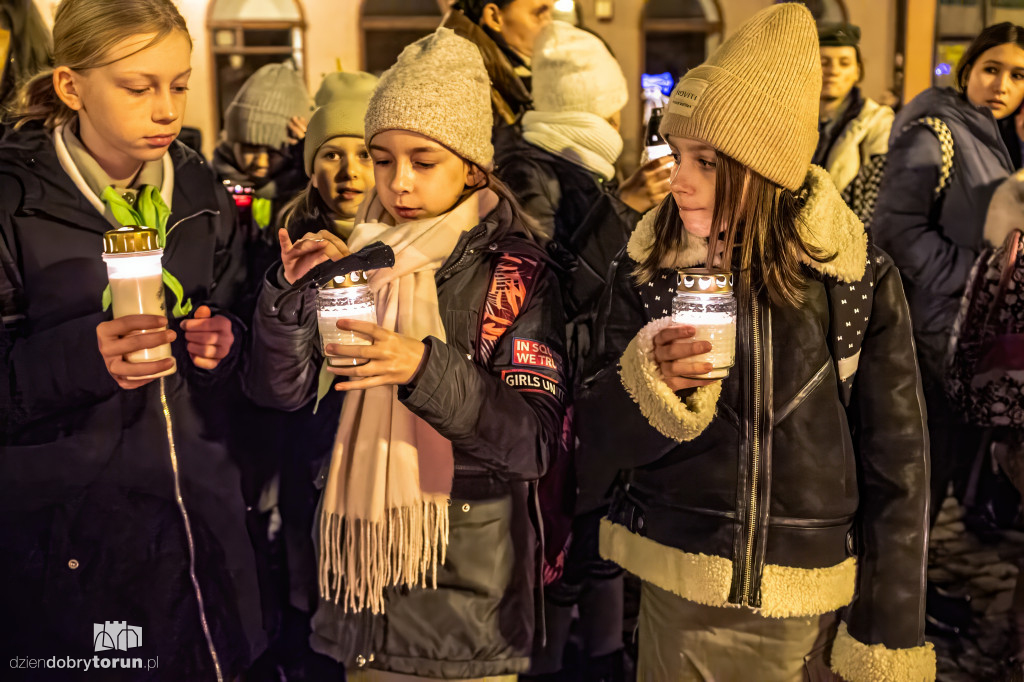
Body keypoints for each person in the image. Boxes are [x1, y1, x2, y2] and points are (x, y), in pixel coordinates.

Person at [576, 5, 933, 681]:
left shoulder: (849, 275)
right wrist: (646, 387)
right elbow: (592, 437)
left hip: (811, 601)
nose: (678, 179)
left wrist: (888, 631)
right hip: (680, 584)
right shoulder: (649, 262)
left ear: (765, 167)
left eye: (706, 162)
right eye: (676, 155)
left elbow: (901, 467)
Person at [245, 27, 567, 680]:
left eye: (424, 160)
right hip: (356, 593)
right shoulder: (356, 254)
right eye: (383, 158)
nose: (398, 183)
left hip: (463, 609)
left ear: (472, 167)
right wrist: (288, 297)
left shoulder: (515, 273)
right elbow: (277, 392)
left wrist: (424, 368)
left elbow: (532, 442)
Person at [0, 0, 265, 678]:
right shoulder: (13, 202)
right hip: (69, 552)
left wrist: (223, 345)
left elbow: (238, 320)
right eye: (138, 86)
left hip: (203, 534)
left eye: (178, 83)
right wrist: (78, 359)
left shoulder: (199, 190)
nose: (166, 109)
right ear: (71, 86)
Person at [871, 22, 1024, 528]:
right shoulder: (934, 133)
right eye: (991, 69)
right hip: (931, 329)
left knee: (945, 463)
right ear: (967, 71)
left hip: (966, 330)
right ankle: (900, 597)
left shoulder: (994, 135)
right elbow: (896, 231)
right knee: (920, 472)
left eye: (1018, 76)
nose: (1002, 85)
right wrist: (976, 277)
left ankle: (918, 585)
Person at [498, 20, 668, 318]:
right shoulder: (527, 175)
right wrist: (624, 206)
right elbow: (551, 297)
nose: (617, 121)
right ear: (587, 113)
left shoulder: (588, 167)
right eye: (611, 109)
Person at [280, 70, 378, 244]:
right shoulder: (288, 241)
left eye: (365, 155)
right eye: (332, 155)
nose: (349, 171)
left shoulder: (418, 243)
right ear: (313, 174)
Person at [813, 22, 894, 197]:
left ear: (857, 71)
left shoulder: (876, 121)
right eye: (824, 62)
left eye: (844, 63)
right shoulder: (793, 120)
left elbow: (880, 192)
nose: (833, 71)